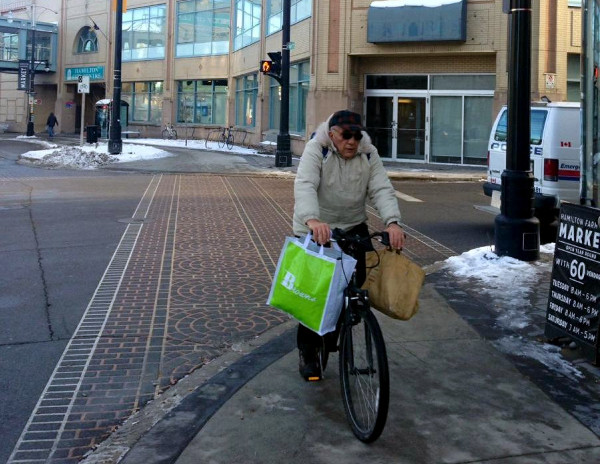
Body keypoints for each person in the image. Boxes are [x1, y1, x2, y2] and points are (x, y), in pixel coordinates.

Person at [293, 109, 406, 381]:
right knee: (315, 298)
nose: (352, 142)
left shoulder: (368, 154)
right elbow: (305, 184)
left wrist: (392, 222)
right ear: (332, 135)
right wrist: (313, 219)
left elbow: (381, 189)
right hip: (318, 227)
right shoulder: (317, 149)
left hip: (354, 226)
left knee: (360, 289)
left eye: (356, 135)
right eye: (346, 136)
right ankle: (309, 353)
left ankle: (348, 318)